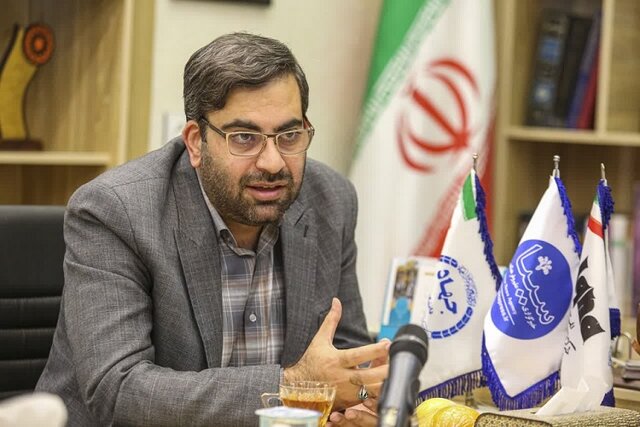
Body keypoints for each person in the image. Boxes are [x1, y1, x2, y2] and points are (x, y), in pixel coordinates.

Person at [36, 32, 389, 426]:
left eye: (289, 136)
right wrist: (293, 386)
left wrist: (358, 405)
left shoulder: (331, 200)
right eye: (245, 138)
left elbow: (349, 354)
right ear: (196, 142)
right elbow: (119, 391)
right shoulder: (117, 211)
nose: (273, 162)